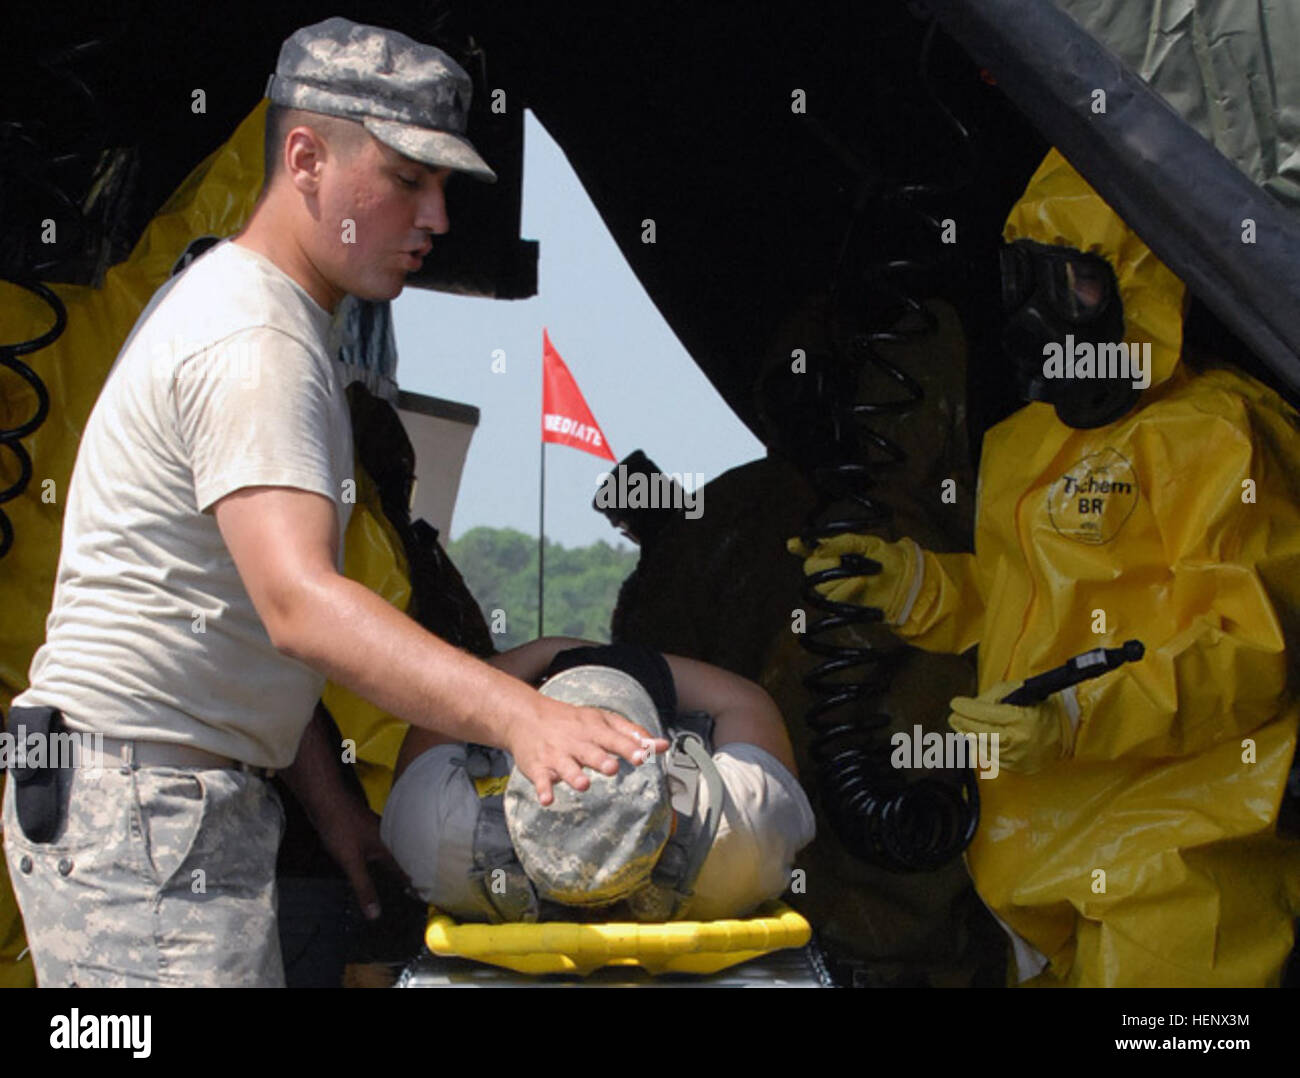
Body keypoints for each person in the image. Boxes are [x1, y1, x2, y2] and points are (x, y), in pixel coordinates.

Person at [2, 17, 663, 988]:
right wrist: (521, 716)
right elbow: (300, 603)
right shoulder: (254, 336)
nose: (436, 217)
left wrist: (334, 810)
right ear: (304, 158)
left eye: (443, 187)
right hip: (144, 809)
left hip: (157, 798)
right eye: (406, 179)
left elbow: (243, 612)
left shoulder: (250, 313)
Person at [792, 148, 1300, 987]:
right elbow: (1022, 610)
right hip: (1039, 861)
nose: (1042, 317)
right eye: (1025, 282)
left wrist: (1077, 717)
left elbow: (1249, 650)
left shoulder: (1219, 435)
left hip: (1182, 861)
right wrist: (913, 585)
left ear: (1146, 282)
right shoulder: (1033, 447)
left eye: (1073, 285)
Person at [381, 639, 815, 923]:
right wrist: (638, 664)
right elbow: (744, 700)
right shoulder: (740, 838)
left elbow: (437, 708)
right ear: (661, 746)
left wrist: (542, 659)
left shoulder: (444, 841)